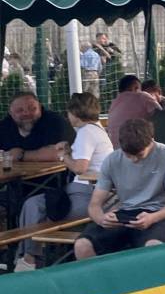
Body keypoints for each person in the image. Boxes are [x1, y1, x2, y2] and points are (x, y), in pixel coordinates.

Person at [13, 92, 113, 271]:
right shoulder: (97, 129)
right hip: (98, 193)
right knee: (35, 204)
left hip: (87, 194)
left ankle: (28, 259)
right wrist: (68, 151)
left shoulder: (86, 132)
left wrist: (63, 156)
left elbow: (80, 168)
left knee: (33, 205)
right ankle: (30, 257)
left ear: (74, 113)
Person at [74, 119, 165, 260]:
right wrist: (101, 219)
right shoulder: (112, 160)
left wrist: (152, 218)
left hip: (158, 215)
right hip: (124, 214)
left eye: (139, 155)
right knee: (82, 245)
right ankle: (102, 275)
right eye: (128, 155)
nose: (134, 159)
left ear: (151, 141)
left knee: (153, 247)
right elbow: (94, 205)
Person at [0, 91, 74, 162]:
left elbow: (59, 153)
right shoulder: (5, 126)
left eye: (32, 109)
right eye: (19, 110)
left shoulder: (55, 122)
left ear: (40, 108)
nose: (26, 113)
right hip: (18, 171)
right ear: (11, 113)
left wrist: (21, 155)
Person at [106, 75, 160, 149]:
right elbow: (161, 116)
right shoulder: (141, 96)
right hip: (137, 148)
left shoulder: (114, 103)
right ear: (135, 87)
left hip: (116, 148)